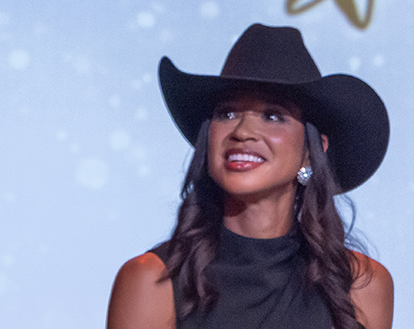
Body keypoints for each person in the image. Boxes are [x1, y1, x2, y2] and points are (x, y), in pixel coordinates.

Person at [106, 24, 394, 329]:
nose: (242, 132)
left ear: (312, 151)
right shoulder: (152, 281)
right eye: (227, 114)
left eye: (273, 116)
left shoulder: (361, 286)